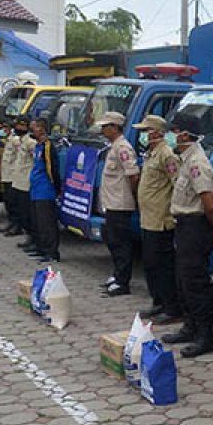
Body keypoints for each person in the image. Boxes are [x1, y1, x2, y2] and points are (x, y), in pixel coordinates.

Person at [161, 112, 213, 358]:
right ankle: (189, 326)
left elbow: (209, 204)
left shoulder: (197, 162)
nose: (171, 135)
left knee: (195, 282)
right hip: (184, 225)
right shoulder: (186, 159)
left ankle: (204, 336)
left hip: (196, 225)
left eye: (173, 131)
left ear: (184, 134)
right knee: (183, 280)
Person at [132, 115, 182, 325]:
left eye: (145, 131)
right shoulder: (151, 153)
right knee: (151, 265)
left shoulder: (166, 155)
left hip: (161, 220)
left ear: (156, 132)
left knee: (163, 266)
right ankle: (158, 302)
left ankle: (172, 308)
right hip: (148, 218)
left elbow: (177, 183)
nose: (142, 134)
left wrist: (172, 213)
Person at [96, 111, 141, 298]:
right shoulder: (113, 146)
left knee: (121, 244)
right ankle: (116, 275)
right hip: (112, 203)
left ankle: (123, 282)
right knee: (113, 242)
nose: (102, 129)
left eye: (105, 126)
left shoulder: (123, 148)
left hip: (121, 204)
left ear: (115, 127)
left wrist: (133, 198)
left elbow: (133, 175)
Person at [26, 118, 62, 263]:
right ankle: (41, 248)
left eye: (35, 127)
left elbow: (52, 169)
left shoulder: (48, 147)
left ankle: (52, 252)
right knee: (38, 222)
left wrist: (56, 187)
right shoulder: (37, 146)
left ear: (41, 129)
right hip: (35, 189)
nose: (32, 129)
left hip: (45, 190)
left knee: (47, 222)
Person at [10, 117, 36, 243]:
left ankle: (32, 237)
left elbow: (35, 160)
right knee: (18, 208)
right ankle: (25, 233)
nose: (19, 129)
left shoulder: (31, 142)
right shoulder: (18, 140)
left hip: (26, 182)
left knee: (27, 212)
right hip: (17, 180)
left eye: (22, 126)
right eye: (18, 126)